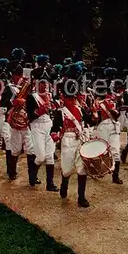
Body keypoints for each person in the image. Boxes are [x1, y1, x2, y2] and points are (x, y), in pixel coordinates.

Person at [51, 63, 93, 208]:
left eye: (73, 98)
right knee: (67, 169)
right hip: (67, 141)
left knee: (82, 168)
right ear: (64, 98)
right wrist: (55, 135)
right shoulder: (60, 112)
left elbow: (91, 120)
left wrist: (94, 112)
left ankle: (81, 197)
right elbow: (54, 127)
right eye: (69, 98)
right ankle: (64, 182)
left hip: (80, 139)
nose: (71, 101)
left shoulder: (81, 109)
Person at [26, 54, 58, 191]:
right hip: (36, 126)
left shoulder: (51, 96)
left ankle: (50, 184)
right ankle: (32, 174)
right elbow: (30, 117)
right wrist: (41, 110)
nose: (44, 86)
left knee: (50, 155)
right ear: (36, 84)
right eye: (41, 83)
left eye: (46, 83)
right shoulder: (31, 97)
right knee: (40, 156)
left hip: (49, 125)